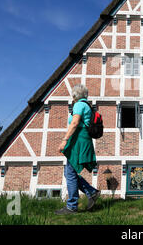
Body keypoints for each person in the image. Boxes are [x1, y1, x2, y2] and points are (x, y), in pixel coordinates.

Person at [55, 84, 100, 215]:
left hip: (78, 141)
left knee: (69, 172)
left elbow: (74, 123)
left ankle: (72, 206)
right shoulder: (87, 105)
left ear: (75, 95)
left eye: (72, 95)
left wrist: (64, 140)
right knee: (71, 172)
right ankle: (91, 192)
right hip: (82, 140)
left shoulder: (79, 105)